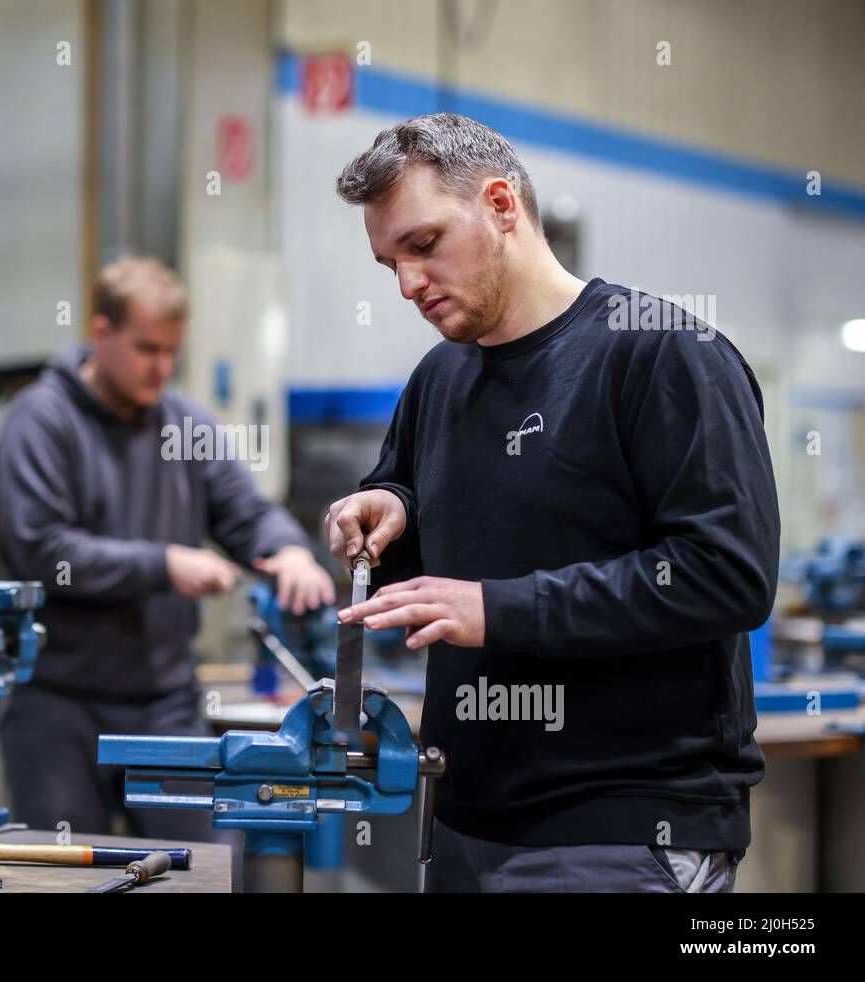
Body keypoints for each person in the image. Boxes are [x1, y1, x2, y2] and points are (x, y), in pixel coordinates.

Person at [325, 113, 779, 892]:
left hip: (620, 831)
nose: (407, 284)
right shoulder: (440, 379)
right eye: (389, 263)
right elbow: (428, 531)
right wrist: (387, 511)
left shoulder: (662, 355)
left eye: (424, 245)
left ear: (502, 205)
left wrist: (501, 610)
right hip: (465, 821)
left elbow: (724, 573)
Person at [0, 256, 334, 838]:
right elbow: (42, 550)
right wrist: (164, 564)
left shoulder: (184, 425)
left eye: (172, 351)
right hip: (56, 704)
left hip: (163, 705)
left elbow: (245, 511)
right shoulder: (40, 421)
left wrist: (290, 551)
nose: (162, 367)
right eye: (146, 349)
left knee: (197, 873)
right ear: (101, 332)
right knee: (58, 878)